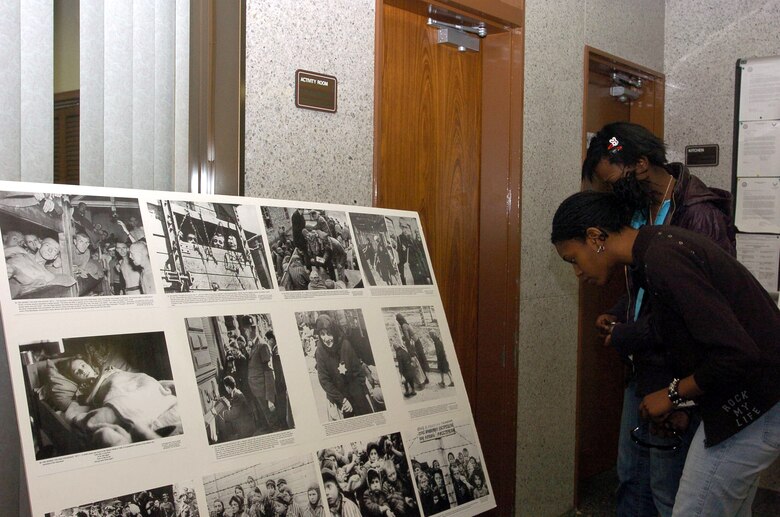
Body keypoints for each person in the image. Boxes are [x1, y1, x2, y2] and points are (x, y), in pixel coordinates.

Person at [551, 190, 780, 516]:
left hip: (759, 399)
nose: (577, 271)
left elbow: (736, 353)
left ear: (595, 237)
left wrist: (673, 395)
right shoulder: (653, 250)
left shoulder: (662, 258)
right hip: (747, 396)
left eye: (573, 259)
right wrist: (684, 402)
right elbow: (690, 339)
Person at [581, 122, 737, 517]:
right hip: (642, 368)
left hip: (678, 375)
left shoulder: (699, 215)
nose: (613, 192)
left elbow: (696, 311)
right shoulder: (638, 212)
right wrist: (618, 314)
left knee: (668, 490)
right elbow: (648, 287)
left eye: (614, 181)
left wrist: (628, 335)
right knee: (631, 480)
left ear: (642, 164)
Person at [313, 314, 373, 419]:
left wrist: (358, 396)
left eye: (329, 333)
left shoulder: (345, 345)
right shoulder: (320, 352)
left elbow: (357, 372)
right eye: (322, 334)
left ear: (334, 332)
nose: (326, 339)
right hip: (338, 393)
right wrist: (343, 400)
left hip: (355, 389)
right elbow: (324, 380)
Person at [242, 315, 278, 431]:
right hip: (257, 391)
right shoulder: (252, 346)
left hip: (264, 392)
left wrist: (270, 398)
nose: (247, 332)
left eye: (249, 329)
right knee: (267, 420)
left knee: (273, 421)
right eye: (248, 328)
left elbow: (269, 373)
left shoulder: (262, 346)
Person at [215, 375, 254, 441]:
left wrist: (221, 413)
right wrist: (226, 401)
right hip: (246, 423)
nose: (225, 389)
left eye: (225, 387)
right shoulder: (236, 392)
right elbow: (236, 406)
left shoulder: (237, 396)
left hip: (246, 428)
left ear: (228, 387)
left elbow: (233, 414)